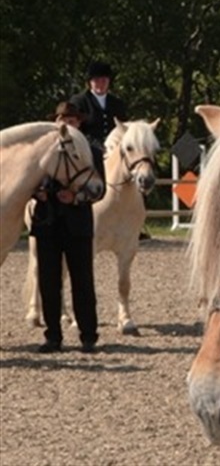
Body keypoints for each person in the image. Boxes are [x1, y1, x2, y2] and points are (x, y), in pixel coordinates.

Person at [30, 102, 106, 353]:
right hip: (46, 222)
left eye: (71, 120)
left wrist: (75, 198)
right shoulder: (42, 151)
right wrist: (37, 193)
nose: (66, 125)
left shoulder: (92, 152)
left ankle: (88, 336)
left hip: (78, 223)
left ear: (79, 123)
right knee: (48, 283)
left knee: (82, 281)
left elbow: (100, 190)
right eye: (62, 120)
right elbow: (28, 182)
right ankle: (53, 336)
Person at [69, 60, 128, 148]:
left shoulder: (117, 103)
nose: (100, 84)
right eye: (96, 80)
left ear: (109, 81)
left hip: (114, 147)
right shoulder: (79, 101)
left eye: (104, 81)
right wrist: (98, 146)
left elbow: (122, 127)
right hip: (86, 147)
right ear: (90, 82)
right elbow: (76, 130)